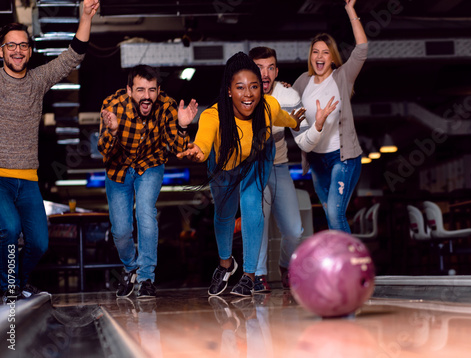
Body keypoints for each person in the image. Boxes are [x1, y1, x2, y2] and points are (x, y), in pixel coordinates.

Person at [177, 52, 317, 297]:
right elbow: (202, 146)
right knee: (224, 215)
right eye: (240, 87)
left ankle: (250, 276)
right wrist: (195, 151)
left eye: (254, 87)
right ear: (229, 90)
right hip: (223, 165)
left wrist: (295, 122)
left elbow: (283, 117)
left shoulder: (268, 106)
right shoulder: (213, 115)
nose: (249, 94)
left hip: (256, 158)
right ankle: (225, 265)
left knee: (253, 207)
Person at [0, 0, 100, 303]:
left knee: (40, 244)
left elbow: (74, 55)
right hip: (0, 178)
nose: (18, 51)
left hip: (29, 179)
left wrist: (85, 16)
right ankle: (10, 288)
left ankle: (17, 281)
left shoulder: (38, 80)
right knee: (9, 228)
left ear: (30, 50)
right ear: (1, 51)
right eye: (11, 46)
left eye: (23, 46)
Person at [98, 65, 198, 299]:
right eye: (140, 90)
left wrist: (183, 126)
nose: (146, 96)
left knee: (145, 212)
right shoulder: (112, 106)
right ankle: (130, 268)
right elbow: (103, 150)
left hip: (150, 165)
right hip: (118, 168)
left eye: (152, 90)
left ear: (158, 90)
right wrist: (112, 132)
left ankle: (146, 278)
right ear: (129, 90)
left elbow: (178, 149)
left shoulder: (167, 106)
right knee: (121, 230)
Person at [292, 0, 368, 233]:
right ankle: (342, 264)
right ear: (311, 57)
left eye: (325, 52)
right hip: (317, 161)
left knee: (335, 214)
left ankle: (349, 266)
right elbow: (290, 113)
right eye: (315, 51)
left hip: (342, 157)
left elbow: (362, 48)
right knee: (328, 214)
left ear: (332, 58)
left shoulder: (342, 76)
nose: (319, 55)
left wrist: (350, 10)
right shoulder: (302, 82)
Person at [248, 46, 304, 291]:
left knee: (294, 229)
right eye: (259, 68)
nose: (265, 73)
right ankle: (258, 275)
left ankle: (285, 266)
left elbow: (303, 130)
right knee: (259, 222)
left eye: (270, 67)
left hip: (280, 166)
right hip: (253, 168)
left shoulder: (288, 95)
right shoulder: (243, 94)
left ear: (277, 70)